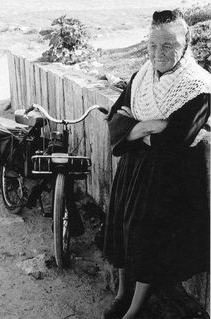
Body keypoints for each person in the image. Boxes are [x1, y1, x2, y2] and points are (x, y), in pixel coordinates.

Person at [102, 9, 210, 319]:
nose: (157, 53)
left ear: (185, 45)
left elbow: (176, 140)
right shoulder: (140, 77)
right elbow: (115, 121)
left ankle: (135, 309)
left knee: (147, 239)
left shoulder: (198, 86)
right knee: (122, 227)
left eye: (168, 45)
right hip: (133, 168)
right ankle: (123, 295)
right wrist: (150, 125)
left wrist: (136, 127)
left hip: (168, 177)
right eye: (152, 44)